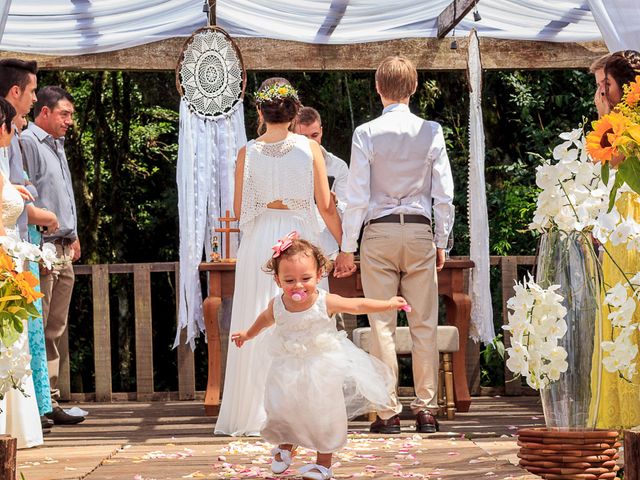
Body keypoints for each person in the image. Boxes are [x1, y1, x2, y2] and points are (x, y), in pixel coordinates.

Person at [214, 78, 342, 436]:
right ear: (295, 111)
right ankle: (305, 410)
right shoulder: (309, 149)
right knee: (305, 318)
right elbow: (325, 204)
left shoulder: (248, 152)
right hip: (300, 236)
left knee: (260, 314)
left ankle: (254, 411)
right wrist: (345, 243)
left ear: (259, 111)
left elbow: (240, 209)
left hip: (260, 241)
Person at [334, 56, 455, 434]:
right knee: (424, 324)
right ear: (415, 88)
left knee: (381, 323)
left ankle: (387, 412)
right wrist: (441, 240)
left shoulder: (366, 132)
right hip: (419, 229)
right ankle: (426, 409)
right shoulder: (431, 131)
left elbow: (356, 195)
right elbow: (445, 195)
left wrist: (346, 246)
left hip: (379, 232)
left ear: (378, 89)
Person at [231, 234, 398, 480]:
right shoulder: (277, 305)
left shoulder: (325, 301)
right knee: (281, 405)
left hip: (321, 364)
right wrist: (247, 334)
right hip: (286, 363)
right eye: (289, 280)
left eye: (305, 278)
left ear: (319, 275)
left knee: (323, 412)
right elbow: (263, 321)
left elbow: (357, 306)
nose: (298, 286)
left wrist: (388, 304)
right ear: (278, 280)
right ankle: (286, 445)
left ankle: (323, 463)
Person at [21, 86, 84, 425]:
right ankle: (36, 403)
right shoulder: (28, 142)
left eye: (70, 115)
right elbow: (26, 197)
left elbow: (63, 196)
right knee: (39, 322)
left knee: (55, 328)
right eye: (64, 113)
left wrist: (74, 234)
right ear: (43, 112)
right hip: (42, 245)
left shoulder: (58, 146)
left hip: (63, 247)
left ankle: (52, 398)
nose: (69, 121)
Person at [589, 50, 640, 430]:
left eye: (601, 85)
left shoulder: (621, 128)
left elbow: (613, 172)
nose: (598, 93)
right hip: (619, 225)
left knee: (627, 315)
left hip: (629, 227)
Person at [0, 97, 43, 448]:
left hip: (12, 256)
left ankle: (17, 424)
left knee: (15, 341)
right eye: (11, 126)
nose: (14, 132)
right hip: (3, 258)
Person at [293, 106, 349, 259]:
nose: (310, 142)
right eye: (304, 137)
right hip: (291, 245)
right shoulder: (284, 164)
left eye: (315, 135)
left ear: (322, 131)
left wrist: (335, 202)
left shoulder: (338, 166)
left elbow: (350, 212)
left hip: (327, 249)